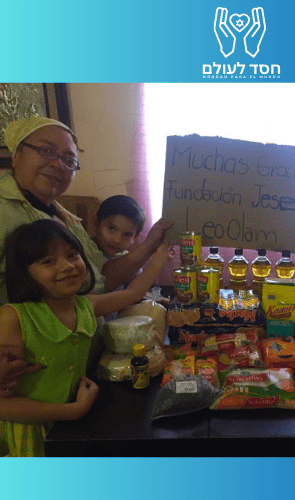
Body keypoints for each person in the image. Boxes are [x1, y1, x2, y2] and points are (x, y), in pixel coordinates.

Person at [0, 116, 172, 381]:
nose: (58, 164)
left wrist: (152, 244)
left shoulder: (60, 214)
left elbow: (102, 278)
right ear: (16, 154)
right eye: (46, 151)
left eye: (69, 160)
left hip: (86, 362)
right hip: (33, 373)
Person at [0, 219, 174, 456]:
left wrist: (159, 256)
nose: (67, 266)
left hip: (72, 428)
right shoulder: (13, 317)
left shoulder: (86, 306)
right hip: (29, 435)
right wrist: (73, 411)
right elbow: (4, 405)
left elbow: (133, 293)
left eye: (72, 255)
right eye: (48, 261)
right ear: (25, 272)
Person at [93, 195, 146, 259]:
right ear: (96, 222)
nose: (117, 240)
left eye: (127, 235)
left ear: (135, 237)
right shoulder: (84, 251)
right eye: (111, 228)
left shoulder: (126, 259)